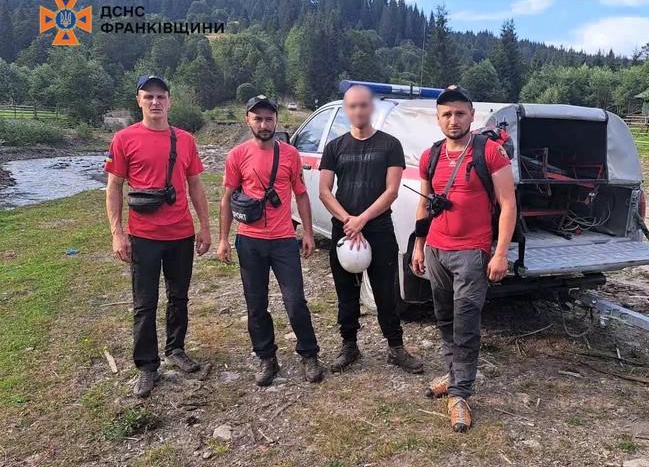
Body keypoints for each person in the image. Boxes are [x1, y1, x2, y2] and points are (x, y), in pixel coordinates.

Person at [411, 86, 517, 432]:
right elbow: (424, 203)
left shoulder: (490, 153)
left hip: (473, 252)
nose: (453, 120)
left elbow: (507, 206)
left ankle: (459, 394)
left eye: (459, 113)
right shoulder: (431, 156)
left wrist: (499, 253)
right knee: (444, 318)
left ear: (472, 115)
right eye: (446, 114)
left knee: (466, 321)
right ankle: (453, 372)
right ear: (438, 118)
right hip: (437, 250)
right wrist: (418, 244)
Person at [105, 74, 211, 398]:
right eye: (148, 96)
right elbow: (114, 187)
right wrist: (117, 233)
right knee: (145, 303)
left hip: (180, 234)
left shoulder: (186, 140)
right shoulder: (123, 139)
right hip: (144, 236)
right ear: (138, 100)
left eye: (160, 96)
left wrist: (205, 227)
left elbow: (195, 185)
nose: (155, 102)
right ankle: (147, 366)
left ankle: (176, 349)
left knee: (179, 296)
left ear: (169, 101)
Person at [217, 95, 322, 385]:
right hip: (249, 241)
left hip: (284, 240)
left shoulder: (289, 154)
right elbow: (227, 199)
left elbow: (301, 194)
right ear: (247, 120)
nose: (264, 124)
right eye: (258, 118)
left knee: (295, 301)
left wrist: (309, 233)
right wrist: (223, 239)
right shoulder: (237, 155)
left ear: (276, 121)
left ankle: (309, 354)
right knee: (256, 303)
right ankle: (266, 357)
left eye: (269, 118)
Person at [319, 84, 423, 374]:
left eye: (363, 105)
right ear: (346, 109)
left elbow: (391, 191)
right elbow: (325, 191)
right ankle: (349, 346)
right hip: (344, 231)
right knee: (345, 291)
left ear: (371, 108)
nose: (358, 111)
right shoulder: (334, 147)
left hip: (378, 230)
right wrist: (347, 220)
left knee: (385, 292)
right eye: (352, 106)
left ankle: (396, 347)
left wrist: (361, 219)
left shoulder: (390, 145)